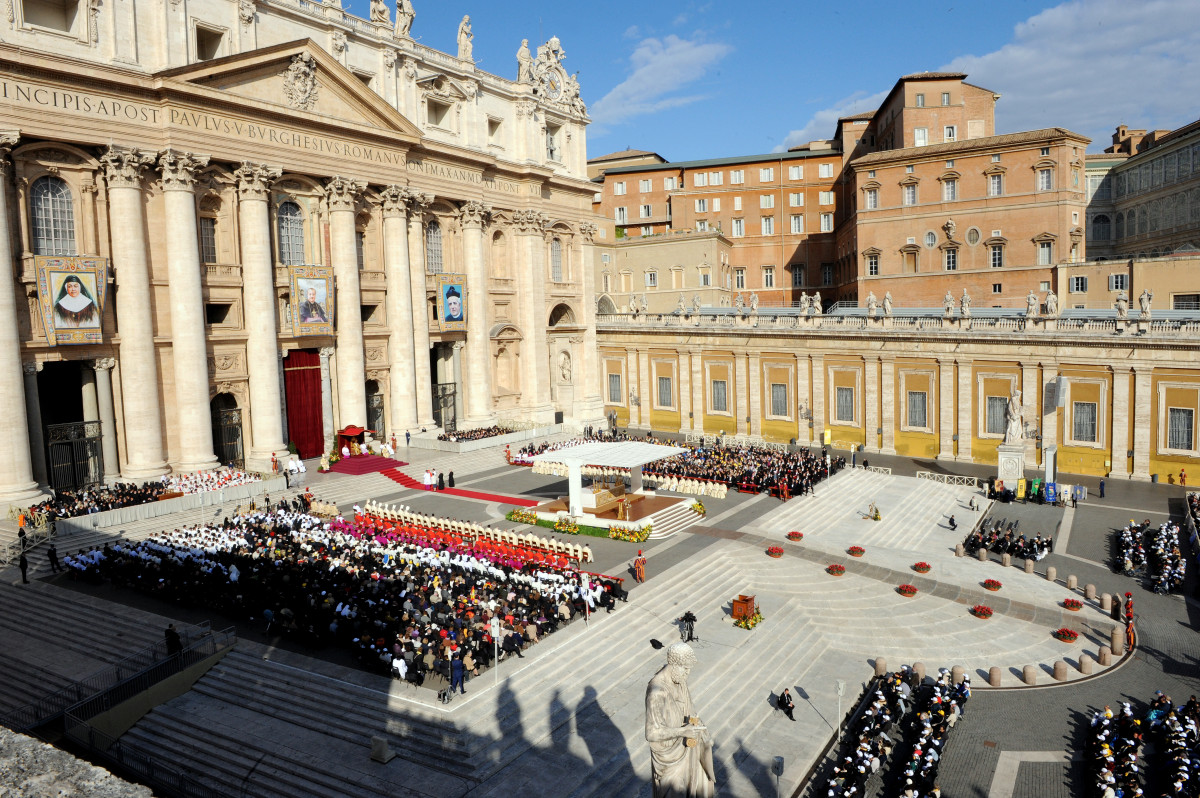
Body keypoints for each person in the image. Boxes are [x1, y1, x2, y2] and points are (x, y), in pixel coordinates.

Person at [645, 643, 715, 798]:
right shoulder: (656, 692)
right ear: (674, 665)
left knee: (704, 784)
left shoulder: (679, 679)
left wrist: (702, 731)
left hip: (687, 747)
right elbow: (651, 733)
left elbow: (690, 710)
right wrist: (683, 731)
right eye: (686, 668)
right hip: (669, 758)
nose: (688, 673)